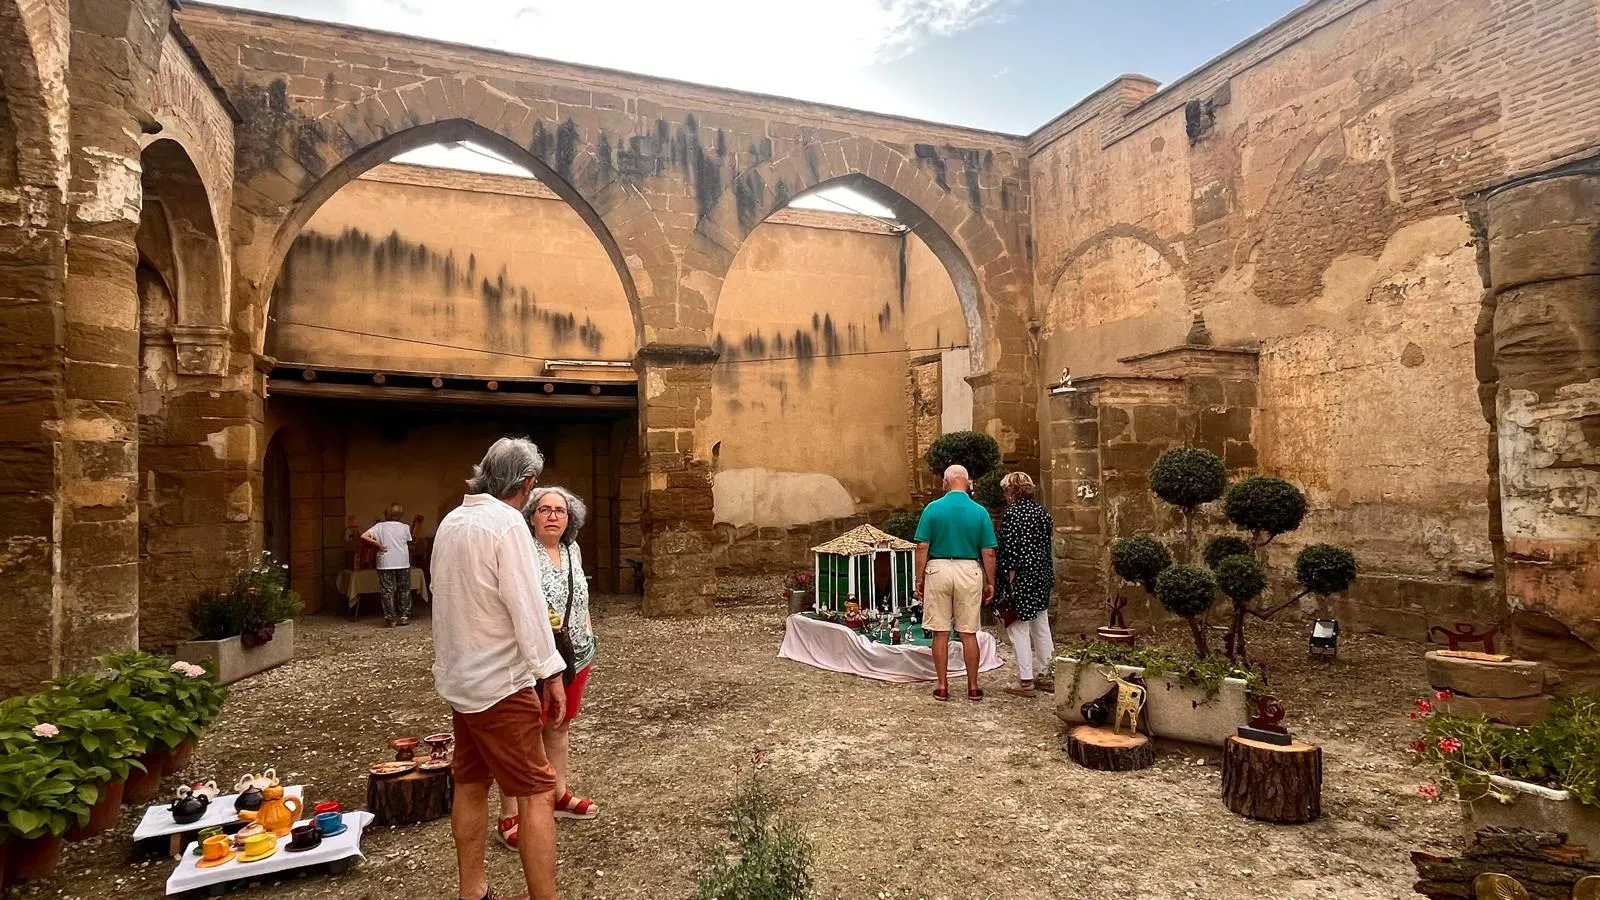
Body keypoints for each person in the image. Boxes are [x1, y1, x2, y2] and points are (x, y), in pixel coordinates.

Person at [431, 437, 567, 900]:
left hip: (462, 682)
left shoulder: (452, 520)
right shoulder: (507, 524)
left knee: (470, 781)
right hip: (500, 686)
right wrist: (551, 674)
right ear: (527, 484)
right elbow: (528, 608)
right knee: (536, 790)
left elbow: (442, 598)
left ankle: (473, 890)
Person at [498, 485, 598, 849]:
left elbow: (580, 594)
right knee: (523, 735)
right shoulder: (523, 552)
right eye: (545, 510)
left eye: (560, 511)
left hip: (574, 654)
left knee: (560, 725)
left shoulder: (573, 549)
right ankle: (510, 812)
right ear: (532, 516)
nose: (553, 516)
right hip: (533, 660)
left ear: (570, 519)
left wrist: (586, 632)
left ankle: (558, 794)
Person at [913, 464, 997, 702]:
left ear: (945, 482)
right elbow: (988, 551)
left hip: (939, 567)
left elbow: (922, 546)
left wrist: (919, 578)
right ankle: (973, 686)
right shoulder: (979, 511)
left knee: (940, 632)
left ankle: (942, 685)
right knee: (968, 632)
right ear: (968, 482)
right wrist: (990, 581)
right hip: (969, 569)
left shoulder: (932, 508)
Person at [994, 472, 1056, 697]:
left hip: (1020, 579)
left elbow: (1009, 553)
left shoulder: (1013, 514)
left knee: (1018, 628)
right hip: (1040, 576)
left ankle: (1026, 680)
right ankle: (1048, 674)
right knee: (1041, 627)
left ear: (1012, 490)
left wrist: (1008, 586)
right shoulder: (1042, 513)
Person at [361, 503, 414, 626]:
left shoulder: (379, 526)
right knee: (404, 589)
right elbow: (409, 540)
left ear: (386, 514)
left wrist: (378, 545)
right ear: (400, 515)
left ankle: (391, 618)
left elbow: (363, 536)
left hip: (385, 562)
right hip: (402, 561)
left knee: (387, 591)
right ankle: (404, 616)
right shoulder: (405, 527)